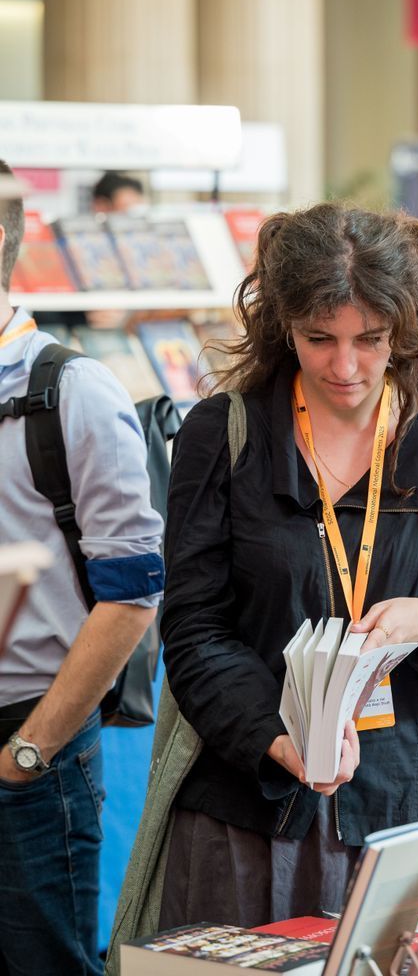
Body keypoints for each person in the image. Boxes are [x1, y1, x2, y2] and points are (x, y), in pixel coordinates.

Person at [157, 202, 418, 930]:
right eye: (318, 338)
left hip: (401, 811)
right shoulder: (224, 436)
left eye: (372, 340)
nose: (345, 366)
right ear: (282, 326)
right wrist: (275, 734)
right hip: (249, 810)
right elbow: (194, 630)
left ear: (408, 329)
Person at [0, 159, 165, 976]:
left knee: (43, 961)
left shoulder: (72, 389)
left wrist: (32, 749)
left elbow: (133, 594)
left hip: (33, 737)